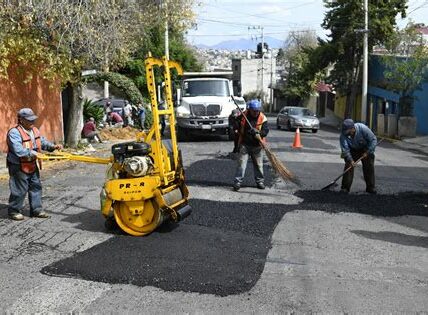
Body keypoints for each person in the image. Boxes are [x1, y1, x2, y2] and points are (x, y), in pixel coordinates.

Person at [6, 108, 63, 220]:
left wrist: (52, 146)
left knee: (36, 187)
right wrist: (33, 153)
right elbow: (18, 150)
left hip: (31, 163)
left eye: (33, 119)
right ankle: (14, 210)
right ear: (21, 120)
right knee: (19, 189)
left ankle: (36, 210)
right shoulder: (14, 133)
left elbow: (41, 141)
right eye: (29, 120)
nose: (32, 122)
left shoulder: (34, 130)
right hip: (18, 165)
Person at [233, 99, 269, 191]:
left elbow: (265, 132)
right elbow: (236, 122)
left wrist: (258, 132)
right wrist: (236, 128)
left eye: (257, 111)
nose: (256, 113)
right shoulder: (243, 115)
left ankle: (260, 182)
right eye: (254, 111)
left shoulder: (263, 118)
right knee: (241, 165)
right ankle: (237, 182)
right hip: (245, 144)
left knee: (259, 165)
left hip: (257, 146)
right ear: (250, 110)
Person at [340, 118, 378, 194]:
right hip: (353, 150)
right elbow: (345, 150)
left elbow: (373, 140)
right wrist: (351, 160)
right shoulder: (343, 135)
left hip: (366, 148)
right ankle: (345, 188)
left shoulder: (363, 128)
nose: (345, 133)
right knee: (348, 164)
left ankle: (370, 187)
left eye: (347, 131)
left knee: (369, 165)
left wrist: (368, 152)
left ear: (352, 128)